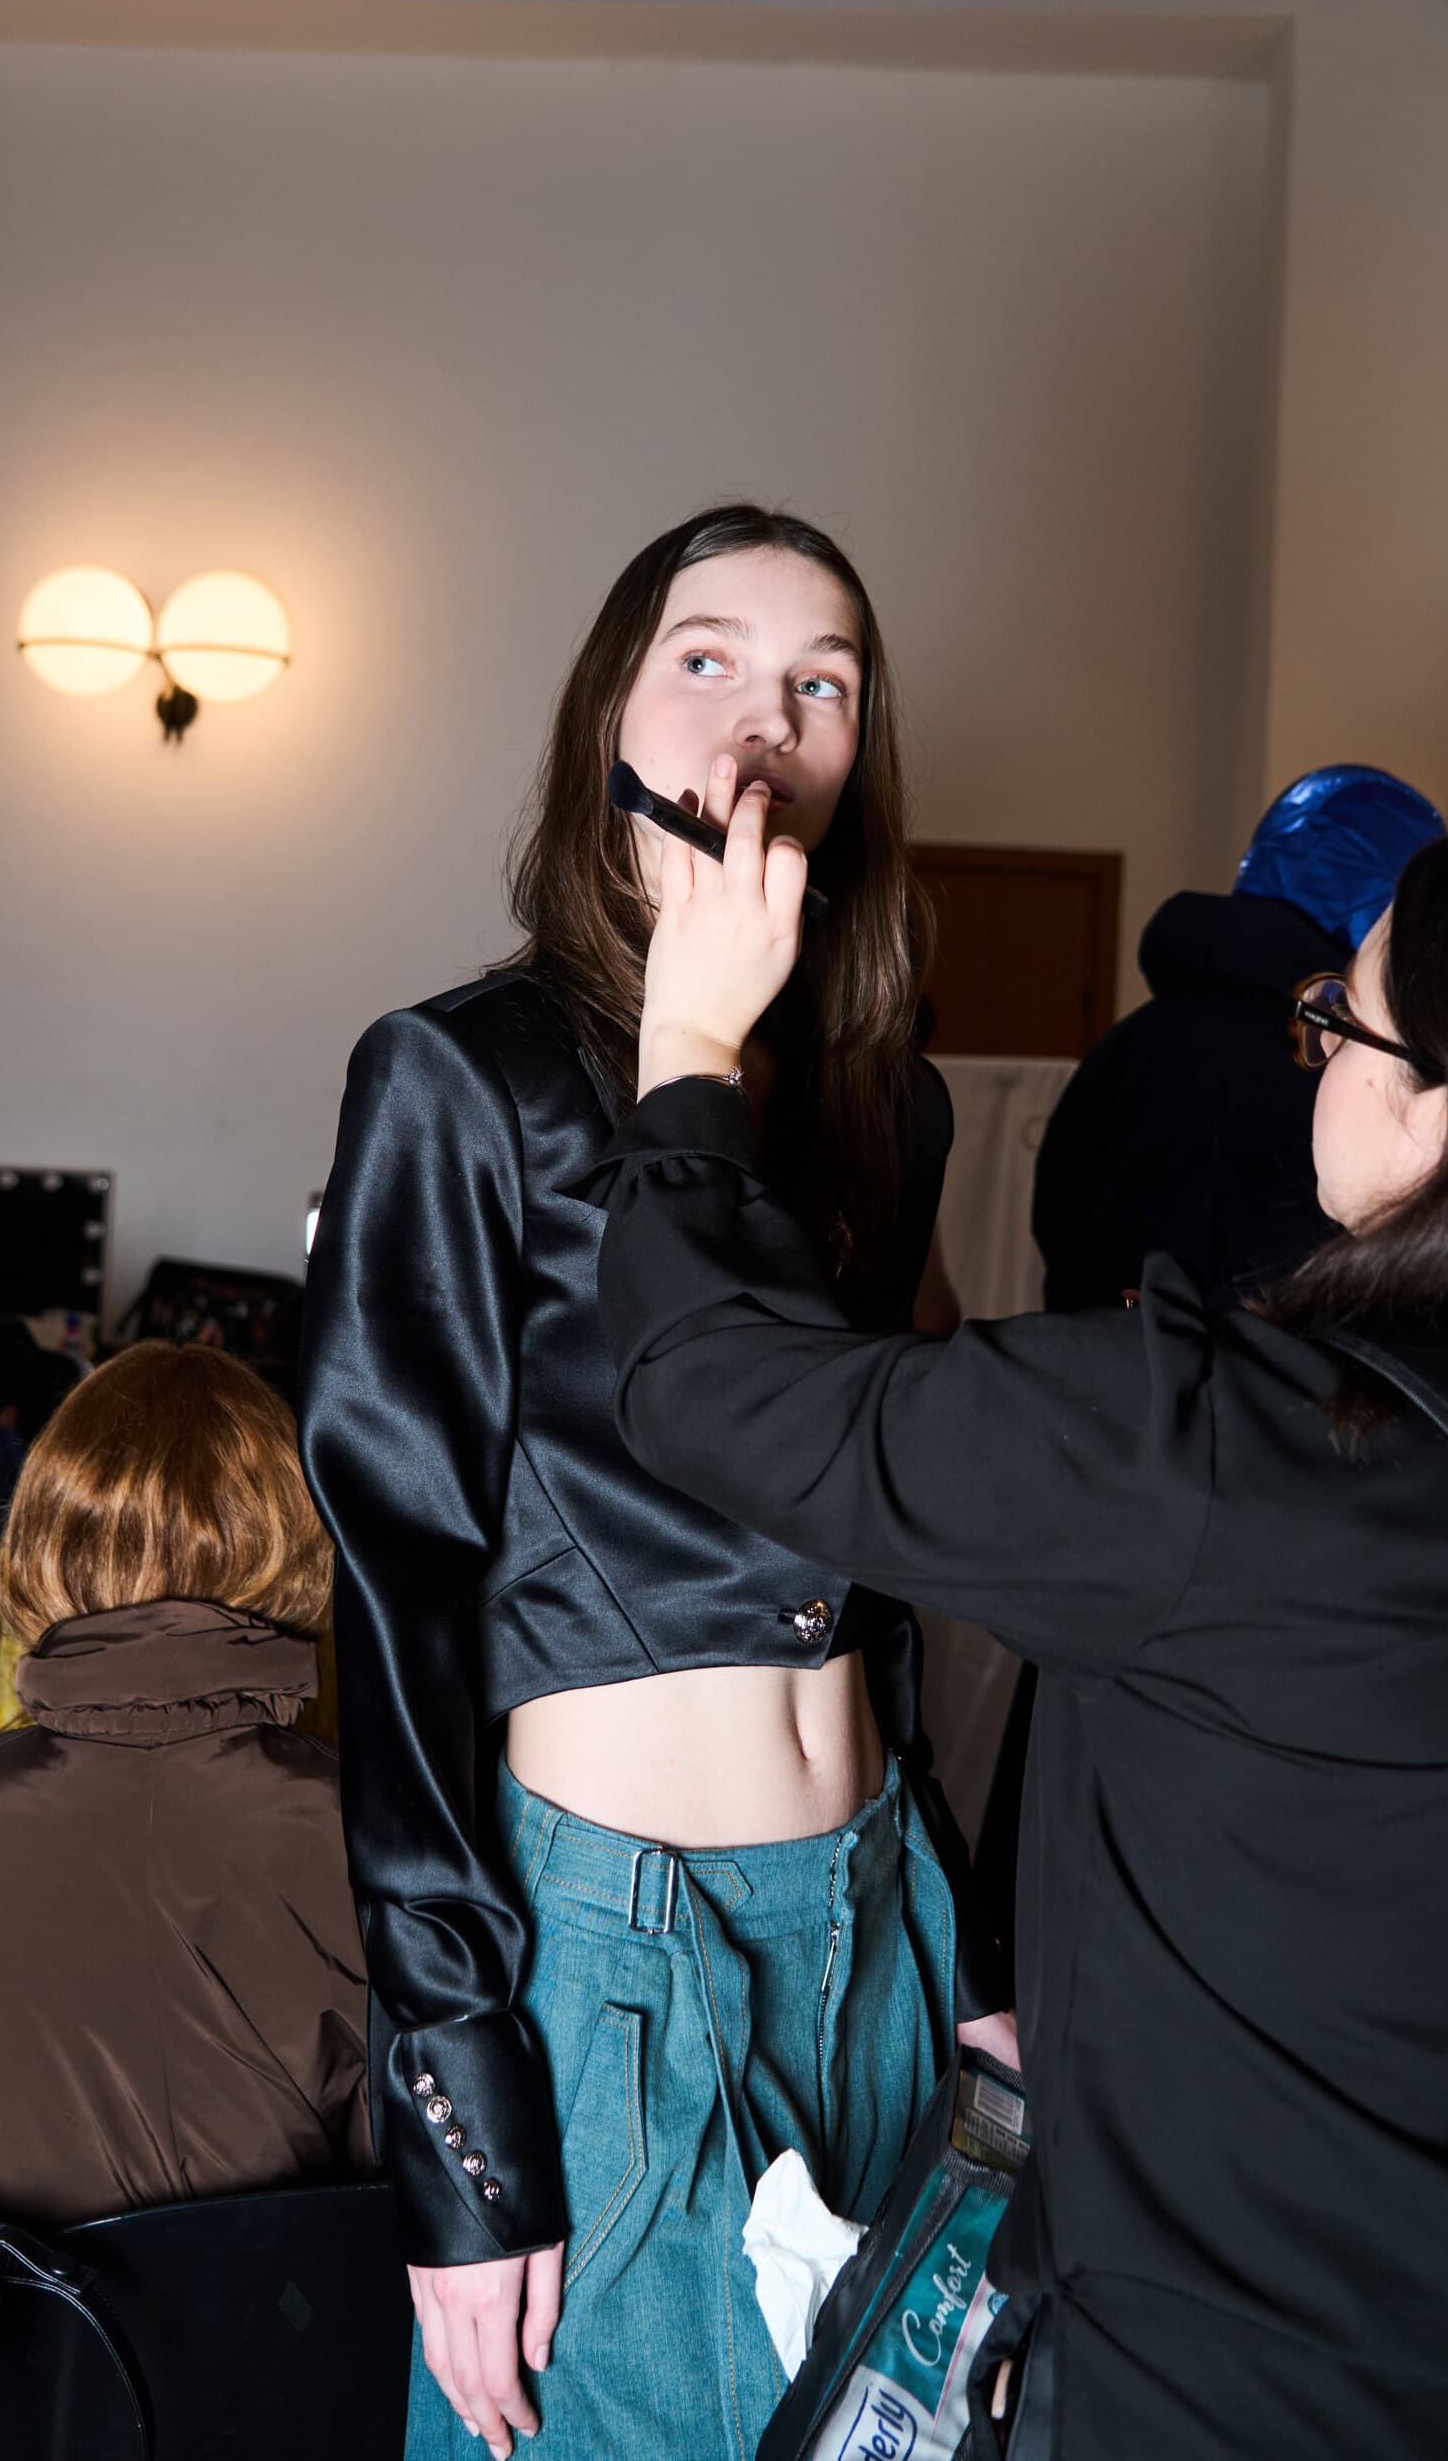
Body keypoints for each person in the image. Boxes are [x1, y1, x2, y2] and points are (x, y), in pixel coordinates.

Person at [585, 796, 1448, 2459]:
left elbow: (711, 1388)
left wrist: (691, 1050)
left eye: (1340, 1022)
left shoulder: (1226, 1451)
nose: (1311, 1053)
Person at [300, 505, 1001, 2461]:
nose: (763, 720)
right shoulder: (461, 1076)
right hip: (617, 1941)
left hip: (879, 1912)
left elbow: (887, 1554)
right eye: (705, 659)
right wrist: (453, 2109)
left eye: (820, 683)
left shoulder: (887, 1102)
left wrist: (969, 1949)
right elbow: (395, 1602)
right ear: (605, 710)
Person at [0, 1341, 369, 2226]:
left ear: (45, 1539)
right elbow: (420, 2191)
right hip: (292, 2313)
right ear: (295, 1543)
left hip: (1, 2314)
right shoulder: (375, 1832)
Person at [1033, 764, 1444, 1311]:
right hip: (1268, 1358)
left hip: (1094, 1350)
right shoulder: (1332, 1069)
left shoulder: (1132, 1038)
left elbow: (1060, 1215)